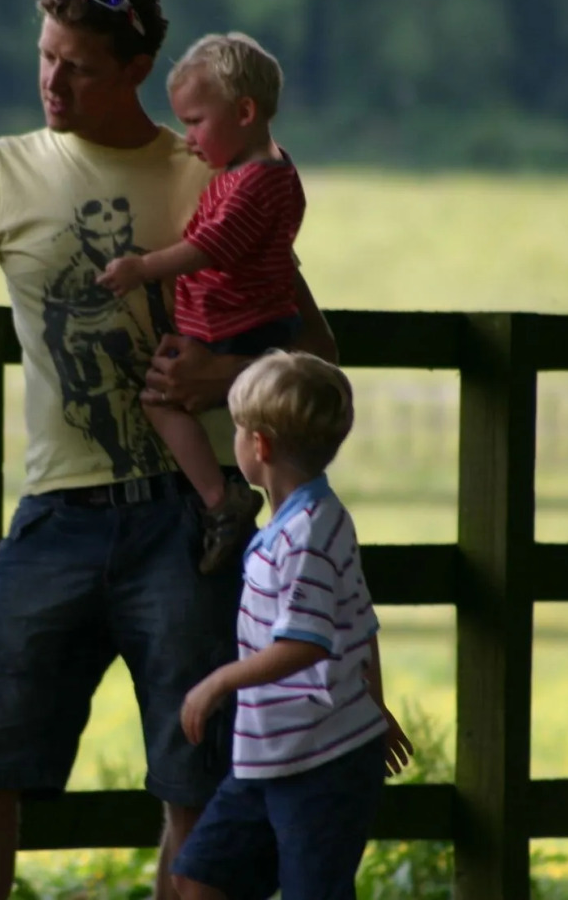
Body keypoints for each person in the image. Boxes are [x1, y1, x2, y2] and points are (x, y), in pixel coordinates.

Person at [0, 0, 339, 900]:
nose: (51, 81)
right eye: (45, 57)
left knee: (194, 781)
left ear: (138, 68)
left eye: (78, 65)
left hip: (192, 524)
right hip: (56, 513)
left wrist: (221, 373)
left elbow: (315, 350)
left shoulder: (210, 175)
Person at [173, 351, 413, 900]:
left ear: (259, 446)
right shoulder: (292, 525)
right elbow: (361, 624)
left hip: (322, 762)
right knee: (201, 877)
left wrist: (218, 682)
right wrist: (375, 705)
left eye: (236, 429)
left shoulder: (310, 531)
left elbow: (305, 643)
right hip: (264, 757)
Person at [97, 31, 304, 574]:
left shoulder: (258, 182)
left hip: (237, 326)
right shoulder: (257, 171)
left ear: (244, 112)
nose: (188, 139)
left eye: (195, 122)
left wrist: (140, 268)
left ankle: (221, 501)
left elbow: (210, 247)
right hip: (227, 322)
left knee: (160, 400)